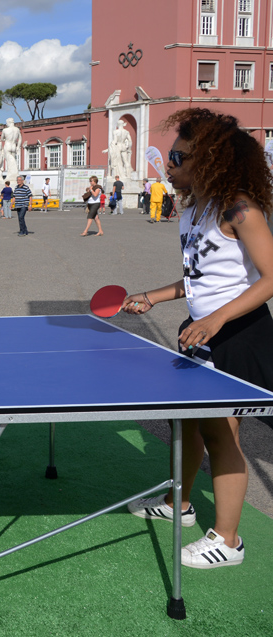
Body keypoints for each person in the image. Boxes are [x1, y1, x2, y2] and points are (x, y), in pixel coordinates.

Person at [123, 108, 273, 569]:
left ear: (208, 160)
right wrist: (153, 296)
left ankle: (228, 541)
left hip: (239, 335)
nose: (168, 165)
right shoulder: (194, 211)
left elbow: (271, 278)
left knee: (221, 432)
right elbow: (199, 278)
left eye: (177, 157)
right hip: (201, 331)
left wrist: (217, 320)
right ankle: (180, 503)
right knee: (187, 422)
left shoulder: (239, 209)